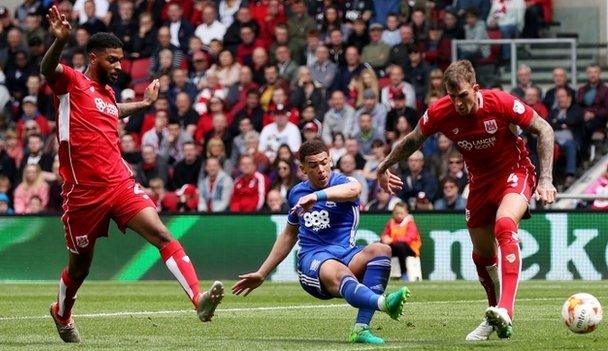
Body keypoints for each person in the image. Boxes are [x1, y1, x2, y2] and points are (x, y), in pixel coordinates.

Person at [40, 6, 223, 343]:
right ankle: (61, 313)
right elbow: (46, 68)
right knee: (80, 269)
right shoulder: (70, 83)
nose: (119, 66)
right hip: (82, 193)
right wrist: (59, 43)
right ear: (93, 58)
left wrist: (144, 104)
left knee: (163, 236)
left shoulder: (108, 95)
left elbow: (114, 110)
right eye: (112, 60)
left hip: (120, 185)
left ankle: (198, 300)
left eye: (121, 60)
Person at [376, 60, 556, 340]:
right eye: (452, 97)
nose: (458, 103)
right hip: (480, 183)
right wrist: (383, 166)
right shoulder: (440, 112)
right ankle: (495, 314)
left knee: (505, 225)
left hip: (515, 171)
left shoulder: (500, 102)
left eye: (463, 96)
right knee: (482, 256)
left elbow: (544, 129)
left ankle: (507, 309)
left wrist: (545, 179)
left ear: (475, 88)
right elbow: (413, 140)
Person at [233, 139, 411, 345]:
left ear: (330, 161)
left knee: (381, 249)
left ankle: (361, 329)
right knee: (336, 269)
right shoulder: (296, 193)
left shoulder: (344, 183)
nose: (321, 169)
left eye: (324, 162)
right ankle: (384, 303)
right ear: (302, 169)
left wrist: (316, 197)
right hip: (314, 261)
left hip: (346, 253)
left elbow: (354, 191)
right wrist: (262, 272)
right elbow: (289, 234)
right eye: (313, 165)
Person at [380, 202, 421, 281]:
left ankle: (404, 273)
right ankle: (382, 274)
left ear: (406, 213)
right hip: (395, 247)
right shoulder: (391, 222)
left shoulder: (410, 223)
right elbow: (385, 234)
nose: (399, 215)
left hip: (410, 249)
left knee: (400, 246)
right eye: (397, 213)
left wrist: (392, 240)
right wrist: (384, 239)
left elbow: (408, 239)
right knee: (380, 246)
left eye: (401, 213)